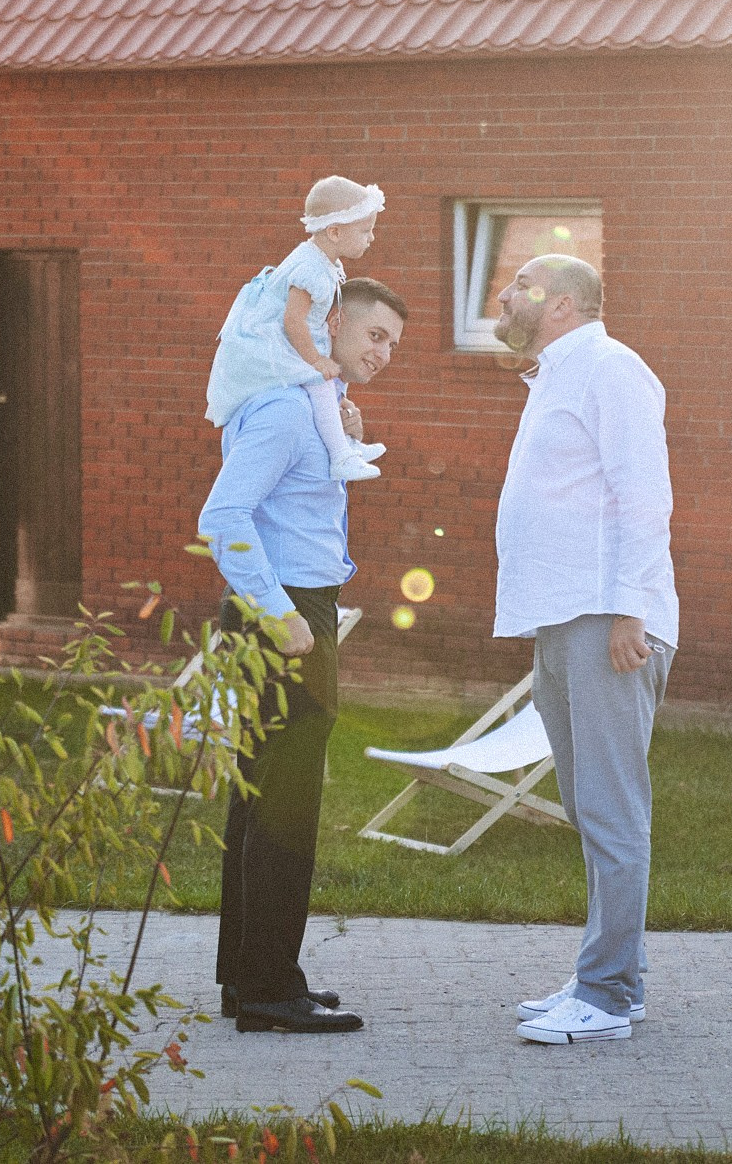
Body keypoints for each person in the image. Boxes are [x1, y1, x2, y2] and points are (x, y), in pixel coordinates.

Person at [198, 276, 409, 1034]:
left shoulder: (308, 405)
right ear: (331, 322)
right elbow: (223, 518)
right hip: (284, 613)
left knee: (259, 800)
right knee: (285, 803)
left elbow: (289, 506)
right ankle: (265, 992)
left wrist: (343, 438)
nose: (383, 352)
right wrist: (283, 615)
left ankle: (253, 977)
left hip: (286, 606)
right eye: (373, 334)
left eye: (392, 343)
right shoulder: (289, 410)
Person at [491, 254, 678, 1046]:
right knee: (586, 805)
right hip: (564, 618)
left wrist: (631, 608)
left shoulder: (611, 367)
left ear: (562, 303)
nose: (503, 297)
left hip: (607, 620)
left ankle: (602, 997)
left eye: (520, 287)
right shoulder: (558, 374)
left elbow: (645, 490)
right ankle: (617, 980)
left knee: (610, 808)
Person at [206, 176, 388, 483]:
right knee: (318, 382)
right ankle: (341, 457)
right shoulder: (310, 269)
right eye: (365, 230)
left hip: (296, 337)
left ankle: (347, 445)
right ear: (334, 231)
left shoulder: (324, 261)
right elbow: (293, 320)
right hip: (275, 344)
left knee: (328, 387)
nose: (371, 237)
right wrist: (315, 361)